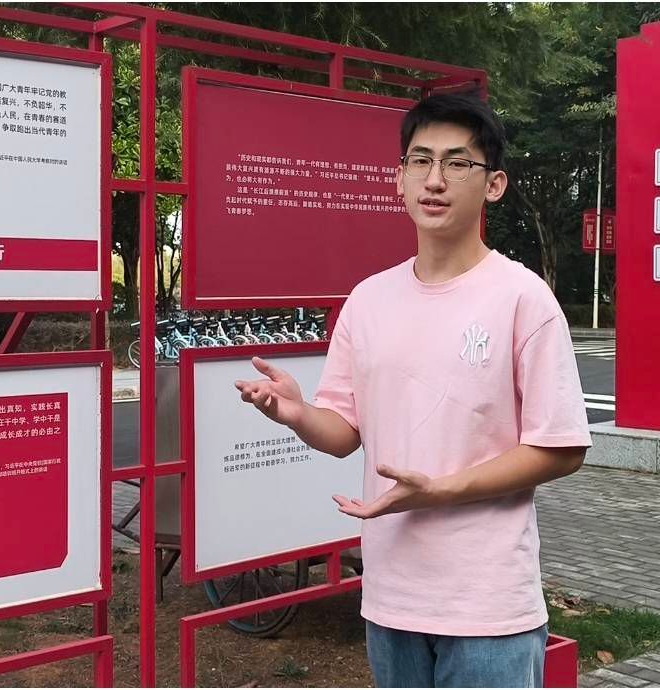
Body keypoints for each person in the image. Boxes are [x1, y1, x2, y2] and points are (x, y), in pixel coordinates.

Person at [234, 93, 591, 688]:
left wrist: (442, 490)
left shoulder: (522, 298)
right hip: (391, 599)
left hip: (488, 607)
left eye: (458, 163)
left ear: (494, 184)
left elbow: (562, 447)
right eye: (420, 160)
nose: (435, 179)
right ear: (399, 178)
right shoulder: (368, 299)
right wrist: (297, 414)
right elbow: (344, 433)